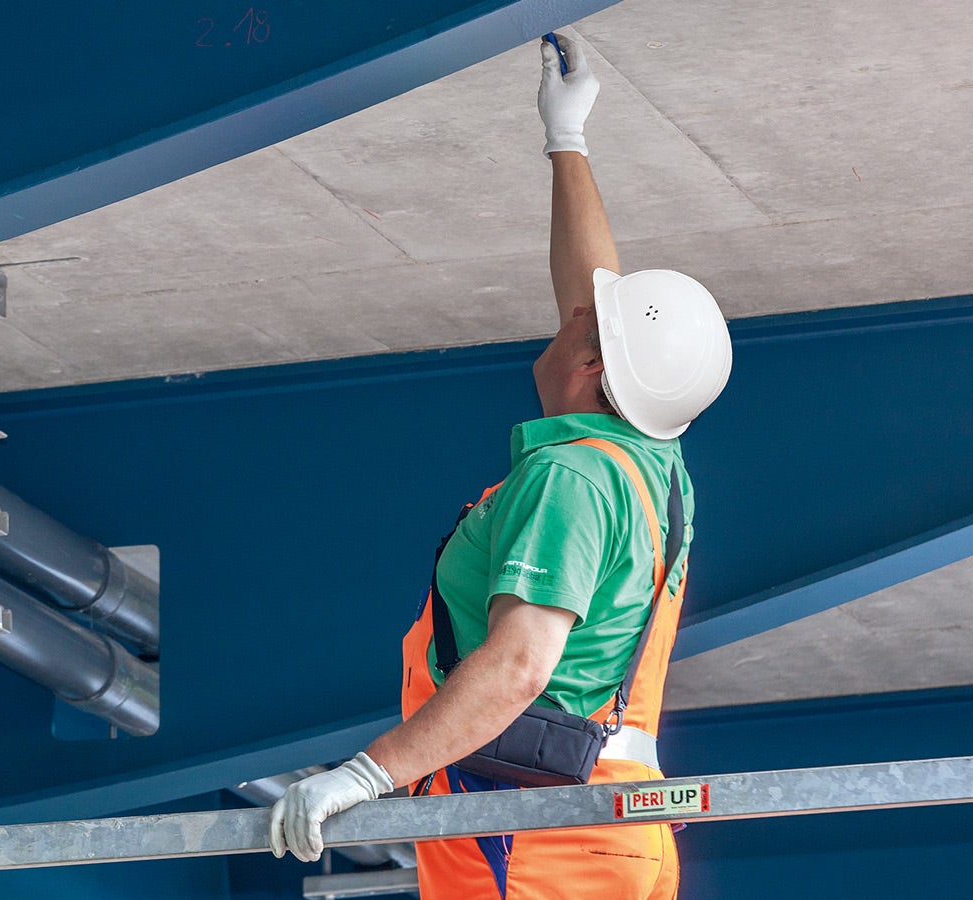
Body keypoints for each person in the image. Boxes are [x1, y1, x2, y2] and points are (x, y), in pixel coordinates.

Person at [267, 34, 733, 899]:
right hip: (588, 825)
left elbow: (521, 664)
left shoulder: (574, 482)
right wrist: (569, 142)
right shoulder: (648, 458)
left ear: (592, 366)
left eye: (580, 328)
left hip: (538, 847)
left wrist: (367, 774)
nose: (561, 320)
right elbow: (593, 302)